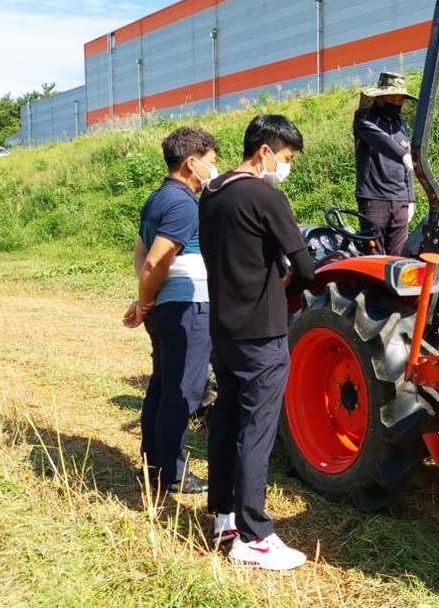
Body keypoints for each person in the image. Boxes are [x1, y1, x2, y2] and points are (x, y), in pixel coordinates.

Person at [198, 113, 315, 570]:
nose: (286, 166)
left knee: (227, 419)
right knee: (257, 429)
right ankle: (254, 537)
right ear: (264, 151)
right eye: (285, 157)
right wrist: (285, 287)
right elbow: (305, 268)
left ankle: (225, 516)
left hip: (223, 329)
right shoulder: (265, 195)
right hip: (261, 332)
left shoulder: (213, 193)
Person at [123, 126, 218, 495]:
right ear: (191, 162)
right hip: (187, 310)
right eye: (211, 162)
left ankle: (152, 465)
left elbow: (140, 252)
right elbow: (154, 262)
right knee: (183, 394)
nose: (214, 169)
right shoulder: (183, 204)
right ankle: (171, 474)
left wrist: (147, 299)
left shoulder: (157, 199)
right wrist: (146, 298)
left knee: (162, 389)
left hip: (168, 306)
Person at [353, 72, 417, 256]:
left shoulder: (401, 124)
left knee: (398, 257)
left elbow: (409, 162)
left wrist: (410, 198)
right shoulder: (364, 119)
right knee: (374, 255)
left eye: (400, 99)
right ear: (380, 97)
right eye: (391, 97)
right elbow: (381, 141)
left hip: (400, 199)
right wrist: (403, 156)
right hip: (374, 198)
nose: (396, 103)